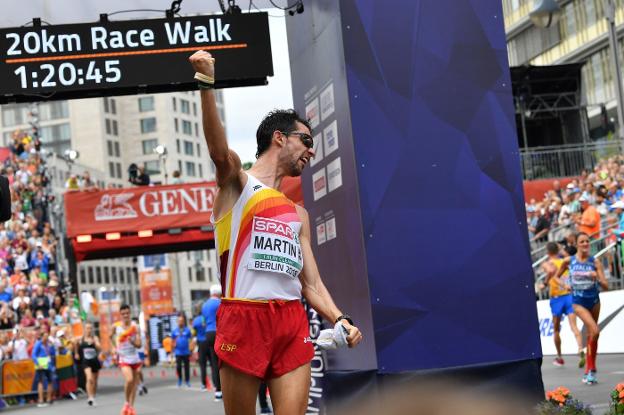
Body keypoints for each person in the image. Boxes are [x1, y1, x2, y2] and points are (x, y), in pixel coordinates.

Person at [189, 50, 362, 415]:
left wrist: (340, 318)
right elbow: (219, 151)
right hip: (243, 317)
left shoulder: (298, 213)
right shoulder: (238, 183)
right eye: (306, 140)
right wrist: (206, 82)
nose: (312, 151)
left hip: (290, 319)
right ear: (280, 138)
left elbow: (311, 284)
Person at [554, 232, 609, 385]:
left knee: (593, 334)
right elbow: (556, 277)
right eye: (582, 241)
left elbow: (606, 285)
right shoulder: (569, 261)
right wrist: (565, 285)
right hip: (578, 303)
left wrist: (596, 276)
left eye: (587, 241)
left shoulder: (595, 262)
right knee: (595, 330)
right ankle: (591, 369)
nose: (585, 244)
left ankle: (590, 368)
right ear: (577, 244)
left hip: (594, 301)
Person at [541, 242, 584, 367]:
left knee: (556, 329)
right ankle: (580, 348)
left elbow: (550, 270)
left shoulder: (547, 263)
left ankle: (560, 357)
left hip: (557, 298)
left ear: (548, 252)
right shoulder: (564, 261)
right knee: (573, 326)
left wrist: (545, 282)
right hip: (569, 296)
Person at [112, 304, 142, 415]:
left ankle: (131, 408)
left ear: (130, 313)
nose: (125, 315)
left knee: (133, 383)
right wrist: (114, 348)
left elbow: (139, 344)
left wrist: (132, 342)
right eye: (123, 314)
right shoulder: (116, 327)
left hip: (134, 357)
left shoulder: (135, 327)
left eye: (127, 313)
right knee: (129, 380)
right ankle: (126, 403)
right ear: (120, 315)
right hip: (124, 358)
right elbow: (110, 336)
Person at [202, 284, 222, 400]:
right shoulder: (219, 303)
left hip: (208, 334)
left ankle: (218, 391)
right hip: (219, 332)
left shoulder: (204, 305)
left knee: (214, 363)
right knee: (224, 362)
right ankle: (227, 388)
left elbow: (204, 321)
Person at [75, 323, 101, 406]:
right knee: (89, 378)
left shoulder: (94, 338)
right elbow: (75, 344)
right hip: (86, 361)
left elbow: (99, 347)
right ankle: (90, 397)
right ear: (84, 329)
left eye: (90, 328)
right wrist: (76, 353)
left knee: (94, 381)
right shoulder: (81, 338)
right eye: (87, 328)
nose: (89, 330)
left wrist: (96, 344)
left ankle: (93, 395)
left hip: (94, 361)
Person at [32, 330, 55, 407]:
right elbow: (33, 354)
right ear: (42, 337)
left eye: (47, 336)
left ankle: (49, 399)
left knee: (50, 381)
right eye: (45, 336)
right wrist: (37, 363)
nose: (46, 337)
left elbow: (52, 353)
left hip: (48, 364)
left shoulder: (49, 344)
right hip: (41, 365)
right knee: (40, 381)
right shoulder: (38, 344)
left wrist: (52, 346)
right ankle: (41, 400)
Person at [171, 313, 192, 388]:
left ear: (184, 322)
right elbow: (172, 341)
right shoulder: (174, 331)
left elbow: (190, 340)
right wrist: (171, 352)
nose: (181, 322)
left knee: (187, 367)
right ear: (177, 322)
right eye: (179, 321)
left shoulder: (187, 330)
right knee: (178, 366)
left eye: (182, 321)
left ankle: (187, 381)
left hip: (186, 351)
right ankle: (179, 379)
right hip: (178, 352)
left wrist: (191, 349)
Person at [191, 305, 208, 391]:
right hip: (209, 341)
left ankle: (203, 385)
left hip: (201, 343)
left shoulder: (195, 320)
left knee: (203, 365)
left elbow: (193, 333)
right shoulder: (206, 317)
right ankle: (217, 386)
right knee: (214, 364)